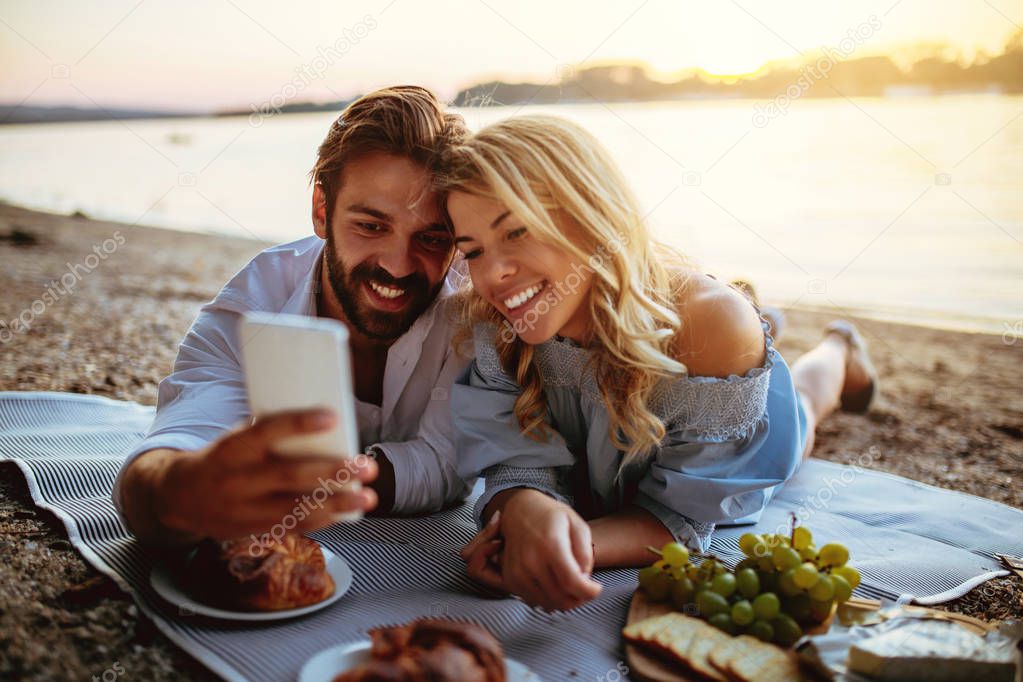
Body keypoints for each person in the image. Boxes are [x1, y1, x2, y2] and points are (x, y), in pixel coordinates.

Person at [441, 115, 878, 611]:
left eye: (517, 231)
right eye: (472, 251)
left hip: (709, 353)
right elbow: (513, 463)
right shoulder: (498, 323)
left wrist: (563, 546)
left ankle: (840, 350)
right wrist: (523, 507)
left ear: (590, 214)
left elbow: (680, 520)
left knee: (801, 413)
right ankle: (770, 319)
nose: (494, 273)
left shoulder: (713, 327)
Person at [114, 86, 473, 548]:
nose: (398, 265)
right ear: (322, 211)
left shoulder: (472, 307)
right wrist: (179, 491)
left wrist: (330, 482)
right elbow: (176, 444)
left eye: (430, 238)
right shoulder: (255, 304)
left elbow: (451, 463)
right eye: (371, 225)